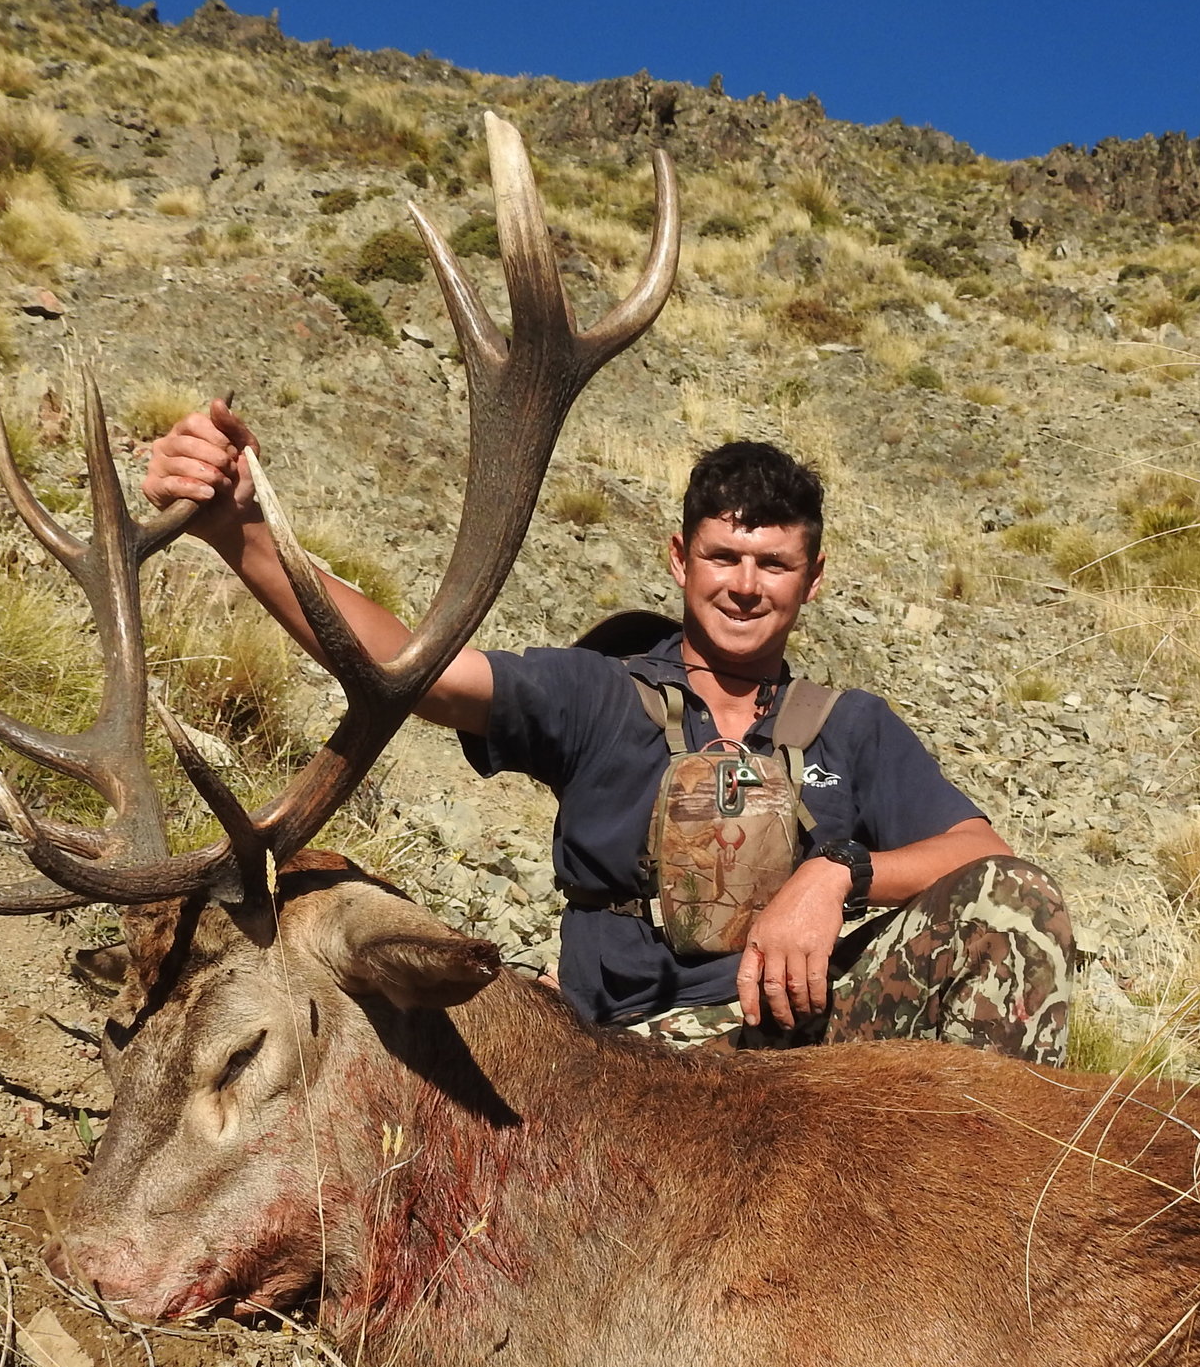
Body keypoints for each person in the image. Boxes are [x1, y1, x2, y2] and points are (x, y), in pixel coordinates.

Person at [142, 402, 1073, 1061]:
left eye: (773, 564)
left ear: (812, 578)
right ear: (679, 558)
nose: (745, 584)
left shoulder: (853, 727)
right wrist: (245, 533)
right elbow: (414, 667)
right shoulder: (599, 695)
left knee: (1016, 906)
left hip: (813, 1059)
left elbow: (984, 855)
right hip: (633, 1071)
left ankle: (994, 1233)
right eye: (723, 555)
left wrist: (840, 875)